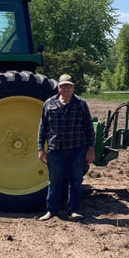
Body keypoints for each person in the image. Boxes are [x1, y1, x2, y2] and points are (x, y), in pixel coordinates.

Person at [37, 74, 95, 221]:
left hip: (76, 149)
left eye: (68, 86)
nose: (66, 88)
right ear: (59, 88)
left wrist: (91, 148)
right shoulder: (49, 104)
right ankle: (51, 211)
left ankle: (73, 210)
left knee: (75, 180)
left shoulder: (81, 104)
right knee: (54, 181)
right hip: (55, 149)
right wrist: (40, 148)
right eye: (63, 86)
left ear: (73, 87)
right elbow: (43, 127)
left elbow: (88, 127)